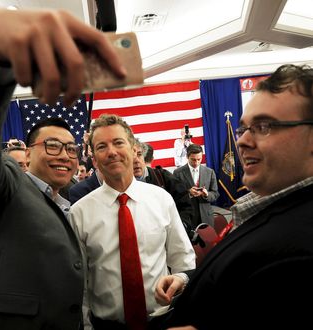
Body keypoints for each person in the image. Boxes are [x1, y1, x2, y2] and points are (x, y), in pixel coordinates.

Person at [0, 7, 125, 329]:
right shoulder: (6, 185)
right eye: (52, 145)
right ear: (28, 153)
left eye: (72, 148)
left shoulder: (70, 202)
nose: (65, 155)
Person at [155, 64, 313, 330]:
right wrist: (188, 280)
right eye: (242, 129)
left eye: (263, 126)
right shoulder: (263, 208)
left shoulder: (300, 248)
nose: (241, 142)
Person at [70, 114, 195, 329]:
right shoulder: (79, 213)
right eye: (101, 147)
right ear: (94, 159)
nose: (111, 152)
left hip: (163, 321)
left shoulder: (162, 199)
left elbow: (183, 260)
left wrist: (181, 279)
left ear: (134, 148)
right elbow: (80, 286)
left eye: (118, 142)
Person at [133, 139, 194, 237]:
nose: (136, 160)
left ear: (144, 157)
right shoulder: (120, 186)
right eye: (131, 156)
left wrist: (182, 226)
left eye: (139, 154)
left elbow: (185, 204)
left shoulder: (163, 177)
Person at [173, 144, 219, 228]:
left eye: (199, 159)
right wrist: (189, 193)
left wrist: (206, 194)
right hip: (187, 217)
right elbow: (175, 197)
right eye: (193, 160)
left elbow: (215, 194)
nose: (196, 163)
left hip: (206, 217)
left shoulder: (210, 172)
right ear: (187, 156)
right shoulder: (177, 173)